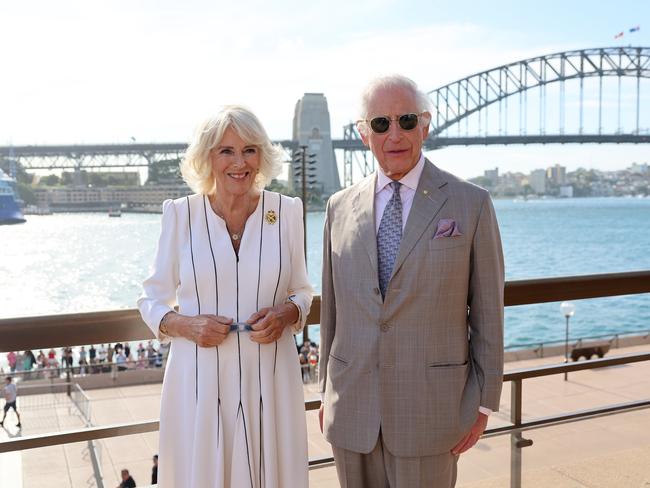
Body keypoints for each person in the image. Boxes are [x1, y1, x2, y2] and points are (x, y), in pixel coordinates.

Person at [319, 75, 504, 488]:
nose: (395, 134)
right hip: (350, 409)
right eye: (381, 124)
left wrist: (485, 402)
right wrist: (325, 391)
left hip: (433, 409)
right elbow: (332, 309)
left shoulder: (471, 203)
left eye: (405, 120)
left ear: (425, 124)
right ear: (363, 134)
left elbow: (488, 311)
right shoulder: (338, 207)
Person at [138, 105, 312, 487]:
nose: (240, 162)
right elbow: (151, 300)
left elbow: (302, 290)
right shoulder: (180, 215)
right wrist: (185, 324)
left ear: (262, 156)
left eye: (249, 150)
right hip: (198, 382)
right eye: (226, 151)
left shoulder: (286, 213)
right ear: (207, 158)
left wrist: (286, 314)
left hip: (270, 377)